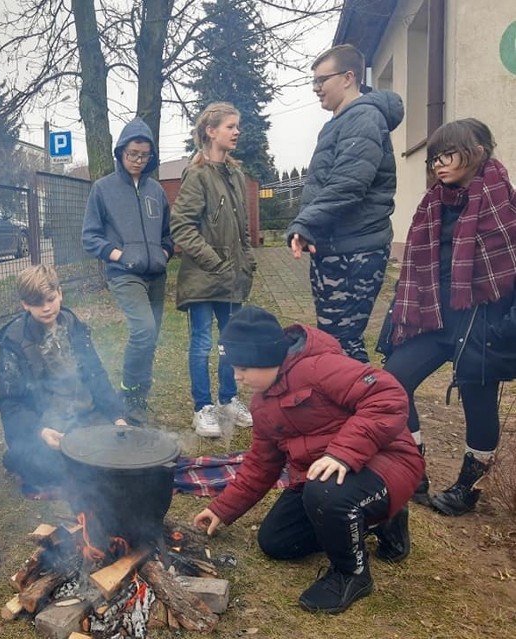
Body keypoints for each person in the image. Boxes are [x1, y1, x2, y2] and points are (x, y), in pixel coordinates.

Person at [193, 306, 424, 615]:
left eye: (244, 368)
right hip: (323, 477)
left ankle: (351, 574)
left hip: (386, 460)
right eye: (234, 368)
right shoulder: (262, 403)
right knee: (277, 541)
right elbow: (261, 464)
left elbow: (389, 396)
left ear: (267, 356)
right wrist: (222, 509)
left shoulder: (318, 368)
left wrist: (343, 452)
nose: (238, 377)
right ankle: (372, 521)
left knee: (326, 493)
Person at [380, 119, 516, 516]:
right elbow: (418, 270)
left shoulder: (506, 205)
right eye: (433, 157)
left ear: (476, 152)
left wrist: (505, 329)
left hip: (481, 324)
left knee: (479, 401)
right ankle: (413, 468)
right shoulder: (435, 203)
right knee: (393, 380)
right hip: (435, 320)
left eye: (447, 154)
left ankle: (468, 488)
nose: (438, 164)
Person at [287, 43, 404, 363]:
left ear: (348, 77)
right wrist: (307, 229)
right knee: (334, 341)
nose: (316, 88)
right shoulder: (338, 123)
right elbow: (321, 185)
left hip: (357, 251)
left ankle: (376, 408)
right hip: (334, 249)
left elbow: (349, 185)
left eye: (321, 80)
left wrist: (305, 222)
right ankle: (353, 409)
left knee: (344, 344)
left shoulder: (364, 117)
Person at [0, 265, 127, 493]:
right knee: (54, 467)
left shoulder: (73, 325)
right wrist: (40, 431)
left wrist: (117, 415)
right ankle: (18, 459)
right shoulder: (14, 341)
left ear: (60, 292)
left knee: (118, 453)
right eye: (37, 303)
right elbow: (10, 404)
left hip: (86, 417)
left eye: (51, 299)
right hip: (47, 426)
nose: (46, 308)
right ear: (25, 304)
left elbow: (96, 374)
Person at [169, 102, 255, 438]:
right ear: (210, 131)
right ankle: (202, 407)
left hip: (232, 277)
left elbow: (242, 227)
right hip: (204, 278)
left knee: (230, 342)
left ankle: (228, 399)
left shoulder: (235, 174)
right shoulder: (198, 174)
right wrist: (214, 262)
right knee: (202, 342)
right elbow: (182, 227)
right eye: (230, 126)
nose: (236, 132)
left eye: (237, 126)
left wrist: (247, 260)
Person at [82, 117, 173, 426]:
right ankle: (127, 392)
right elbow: (90, 236)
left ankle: (139, 396)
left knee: (152, 336)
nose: (138, 160)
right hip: (124, 273)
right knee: (143, 329)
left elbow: (168, 234)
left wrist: (164, 252)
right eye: (133, 153)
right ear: (120, 152)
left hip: (156, 274)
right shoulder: (103, 189)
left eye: (144, 155)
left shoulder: (156, 191)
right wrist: (120, 254)